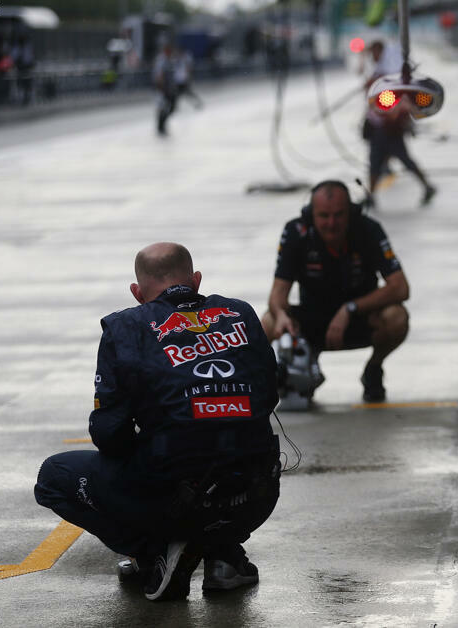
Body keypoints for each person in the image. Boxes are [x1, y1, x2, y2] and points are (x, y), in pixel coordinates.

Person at [34, 243, 281, 601]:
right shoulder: (241, 313)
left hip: (176, 500)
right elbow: (268, 396)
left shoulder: (126, 327)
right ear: (196, 280)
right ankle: (226, 558)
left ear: (137, 293)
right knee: (226, 447)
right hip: (256, 496)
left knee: (53, 478)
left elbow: (110, 435)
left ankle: (153, 555)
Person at [261, 180, 409, 402]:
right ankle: (302, 371)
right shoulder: (296, 231)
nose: (332, 223)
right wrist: (282, 316)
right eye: (323, 216)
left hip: (359, 318)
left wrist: (349, 309)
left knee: (397, 316)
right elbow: (277, 294)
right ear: (311, 215)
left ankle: (373, 369)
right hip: (312, 322)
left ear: (351, 212)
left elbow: (400, 287)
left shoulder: (369, 229)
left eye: (339, 215)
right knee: (269, 321)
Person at [363, 39, 436, 208]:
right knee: (375, 162)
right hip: (377, 127)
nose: (372, 56)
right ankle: (371, 196)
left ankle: (427, 186)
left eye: (374, 52)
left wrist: (394, 116)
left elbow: (402, 101)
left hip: (388, 130)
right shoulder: (378, 73)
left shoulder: (391, 77)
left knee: (402, 160)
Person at [152, 43, 179, 135]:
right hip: (163, 89)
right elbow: (159, 76)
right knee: (163, 108)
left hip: (169, 88)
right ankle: (160, 126)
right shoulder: (162, 60)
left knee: (171, 107)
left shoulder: (170, 60)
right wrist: (162, 88)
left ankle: (162, 125)